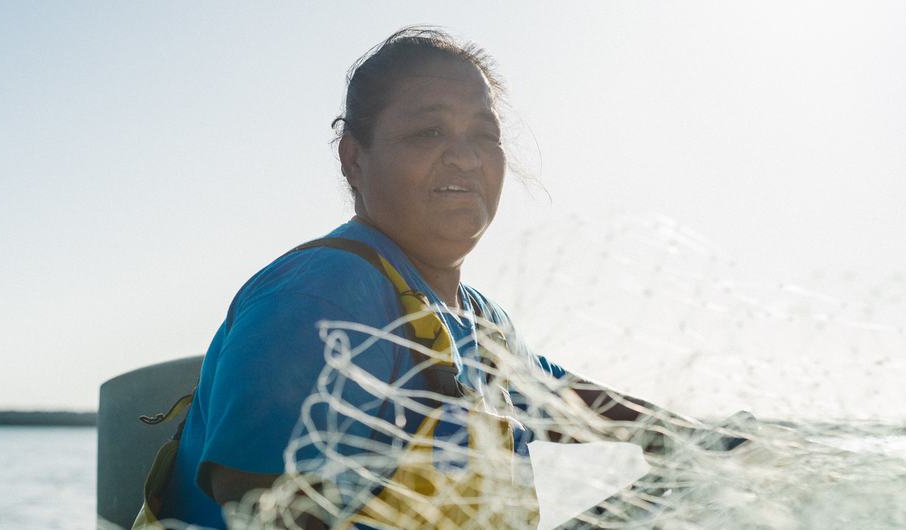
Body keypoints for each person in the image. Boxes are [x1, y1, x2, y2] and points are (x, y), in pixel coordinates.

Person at [152, 27, 729, 529]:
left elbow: (561, 401)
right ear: (354, 158)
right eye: (429, 133)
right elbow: (257, 505)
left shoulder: (482, 321)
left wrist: (701, 442)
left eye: (485, 134)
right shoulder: (323, 291)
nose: (467, 157)